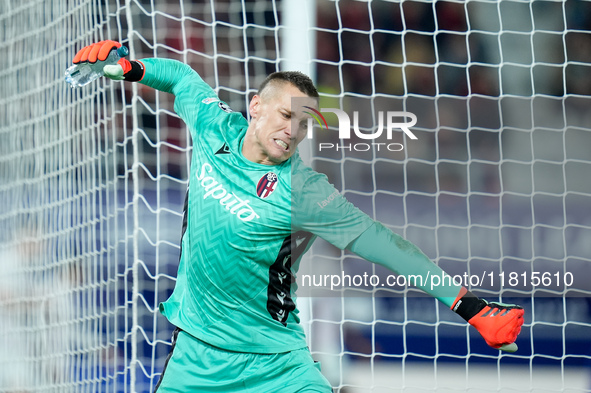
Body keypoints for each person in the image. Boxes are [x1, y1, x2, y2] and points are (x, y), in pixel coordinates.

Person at [71, 40, 524, 392]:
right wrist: (131, 68)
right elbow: (182, 78)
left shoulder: (304, 192)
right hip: (197, 354)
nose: (292, 131)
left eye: (304, 124)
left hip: (275, 361)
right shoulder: (214, 129)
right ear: (255, 106)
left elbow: (386, 246)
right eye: (286, 115)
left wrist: (472, 307)